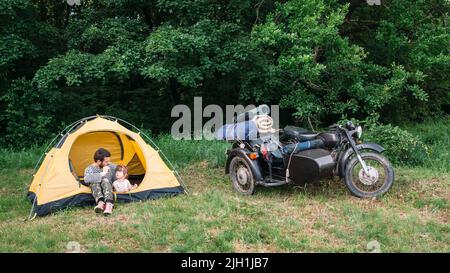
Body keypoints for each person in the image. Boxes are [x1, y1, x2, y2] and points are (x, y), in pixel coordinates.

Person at [84, 148, 117, 215]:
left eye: (109, 161)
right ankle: (100, 203)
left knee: (104, 180)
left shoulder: (111, 166)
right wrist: (102, 173)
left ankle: (109, 204)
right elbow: (86, 179)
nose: (108, 163)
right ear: (99, 161)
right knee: (94, 181)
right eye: (106, 162)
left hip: (108, 188)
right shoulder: (89, 169)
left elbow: (122, 171)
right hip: (97, 189)